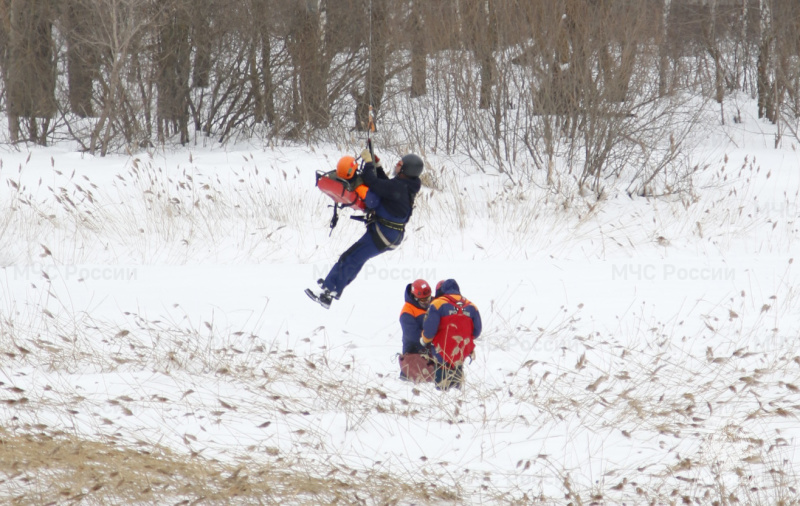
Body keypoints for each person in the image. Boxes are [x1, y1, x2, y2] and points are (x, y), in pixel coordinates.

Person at [307, 149, 424, 309]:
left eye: (400, 164)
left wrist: (368, 163)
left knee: (350, 257)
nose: (396, 165)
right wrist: (377, 165)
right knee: (356, 259)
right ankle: (333, 287)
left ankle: (329, 291)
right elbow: (385, 185)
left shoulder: (398, 188)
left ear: (406, 170)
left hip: (384, 234)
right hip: (389, 234)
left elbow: (373, 182)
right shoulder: (403, 186)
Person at [421, 279, 482, 390]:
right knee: (456, 384)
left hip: (441, 352)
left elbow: (429, 331)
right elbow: (477, 331)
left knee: (442, 388)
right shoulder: (472, 306)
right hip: (462, 351)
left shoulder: (437, 304)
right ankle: (457, 392)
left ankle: (442, 393)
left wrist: (424, 340)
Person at [398, 279, 435, 382]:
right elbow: (413, 335)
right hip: (414, 351)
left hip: (432, 349)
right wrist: (432, 337)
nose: (427, 302)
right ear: (415, 297)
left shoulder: (434, 303)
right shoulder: (407, 312)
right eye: (423, 300)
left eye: (428, 298)